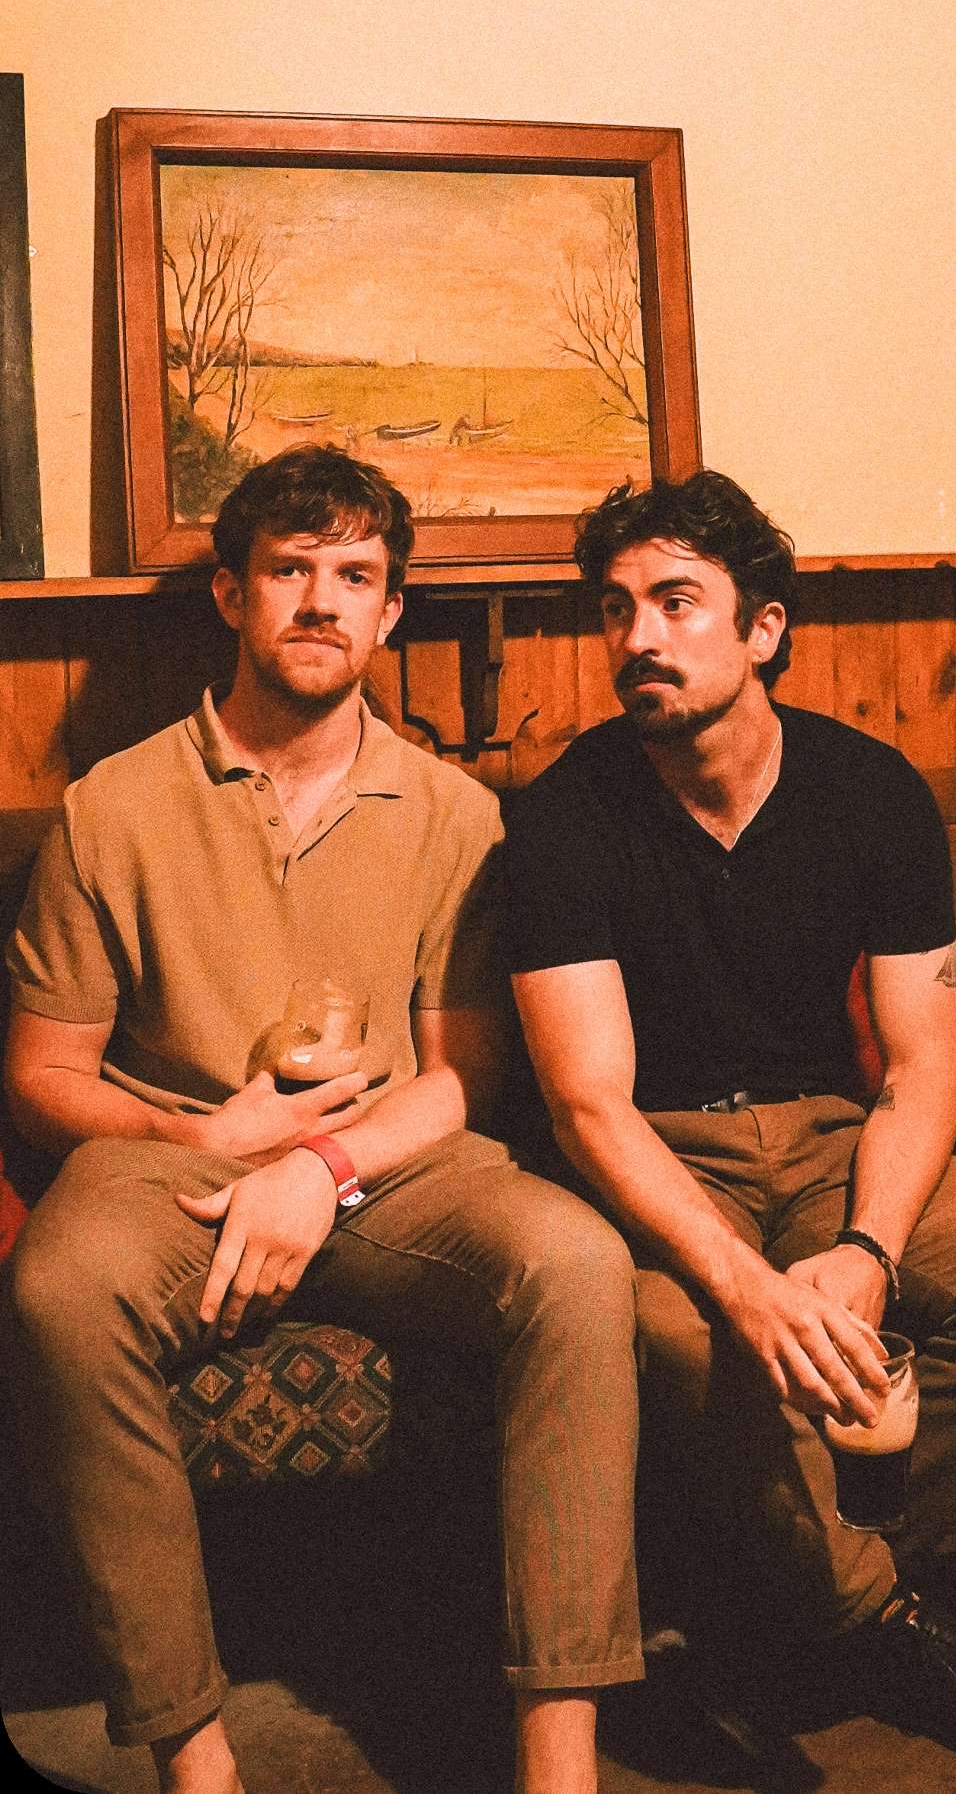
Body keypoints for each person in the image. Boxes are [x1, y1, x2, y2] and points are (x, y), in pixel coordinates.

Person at [2, 445, 643, 1794]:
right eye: (290, 569)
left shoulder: (458, 812)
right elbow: (43, 1075)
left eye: (355, 576)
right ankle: (194, 1750)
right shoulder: (112, 806)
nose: (320, 601)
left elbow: (467, 1073)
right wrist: (206, 1144)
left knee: (579, 1263)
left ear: (390, 611)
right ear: (232, 592)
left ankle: (559, 1758)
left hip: (392, 1164)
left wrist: (320, 1167)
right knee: (60, 1286)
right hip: (167, 1158)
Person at [502, 470, 956, 1767]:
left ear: (762, 627)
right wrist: (748, 1288)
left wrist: (867, 1251)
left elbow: (920, 1062)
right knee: (693, 1339)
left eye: (675, 601)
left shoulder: (869, 791)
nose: (638, 639)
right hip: (663, 1153)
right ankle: (874, 1624)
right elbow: (587, 1103)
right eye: (615, 610)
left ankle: (766, 1612)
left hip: (834, 1132)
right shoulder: (563, 816)